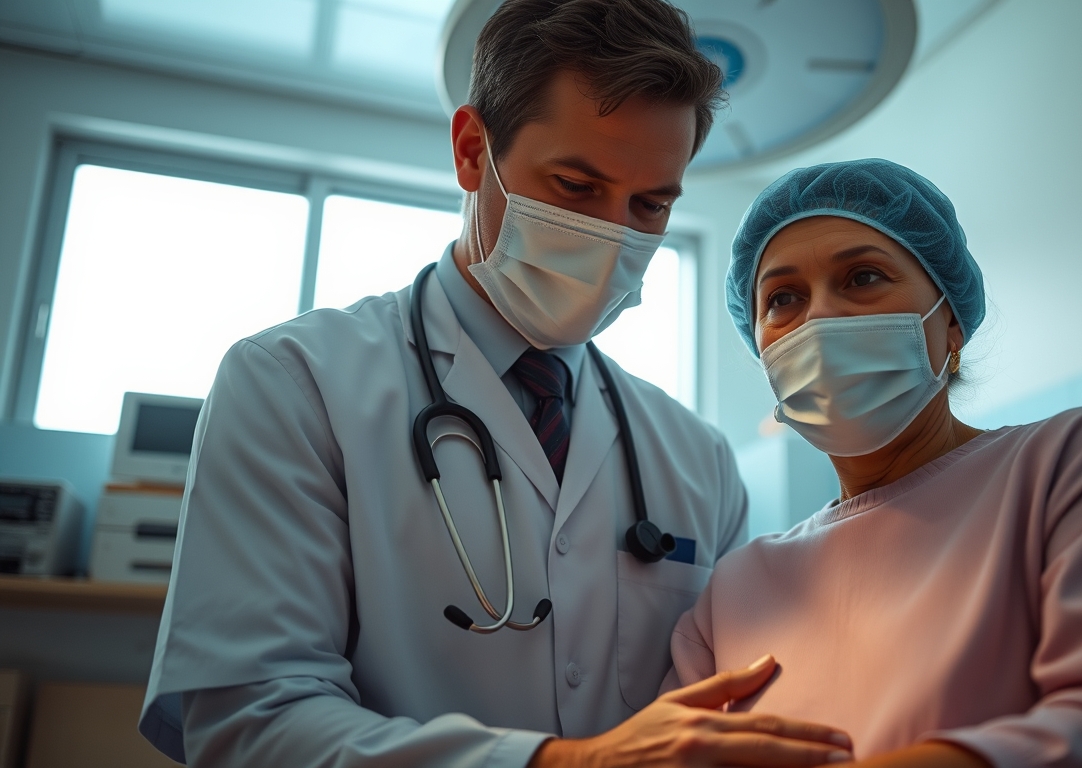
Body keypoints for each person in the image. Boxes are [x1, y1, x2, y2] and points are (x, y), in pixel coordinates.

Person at [138, 2, 853, 766]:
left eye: (650, 205)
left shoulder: (697, 458)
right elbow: (250, 723)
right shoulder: (295, 384)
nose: (615, 238)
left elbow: (724, 709)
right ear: (474, 151)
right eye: (577, 185)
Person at [661, 158, 1082, 767]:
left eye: (863, 277)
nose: (819, 317)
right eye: (784, 298)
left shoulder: (1070, 466)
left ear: (949, 320)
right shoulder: (733, 593)